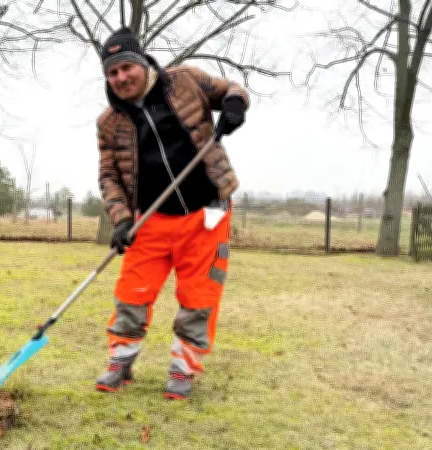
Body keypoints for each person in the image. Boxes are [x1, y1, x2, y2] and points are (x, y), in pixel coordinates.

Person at [93, 27, 249, 400]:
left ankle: (184, 367)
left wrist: (234, 105)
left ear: (142, 62)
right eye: (112, 73)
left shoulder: (185, 81)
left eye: (126, 67)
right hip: (150, 218)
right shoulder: (108, 123)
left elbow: (233, 89)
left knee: (199, 295)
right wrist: (122, 219)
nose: (121, 78)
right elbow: (109, 177)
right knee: (131, 293)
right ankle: (120, 361)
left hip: (206, 213)